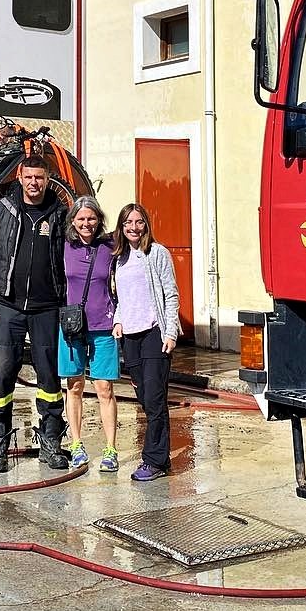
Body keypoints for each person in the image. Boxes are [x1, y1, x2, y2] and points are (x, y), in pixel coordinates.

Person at [0, 156, 69, 473]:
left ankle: (50, 444)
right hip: (9, 306)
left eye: (40, 178)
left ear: (48, 179)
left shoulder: (60, 213)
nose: (34, 183)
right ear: (20, 176)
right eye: (29, 176)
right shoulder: (4, 208)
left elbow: (70, 253)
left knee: (49, 377)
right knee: (1, 376)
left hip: (47, 308)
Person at [110, 203, 180, 482]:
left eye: (139, 222)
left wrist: (171, 332)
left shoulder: (157, 253)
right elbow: (122, 297)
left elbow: (171, 294)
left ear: (146, 224)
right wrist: (118, 320)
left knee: (154, 398)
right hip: (131, 336)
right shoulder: (120, 257)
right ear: (121, 226)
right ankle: (159, 455)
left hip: (154, 333)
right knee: (144, 398)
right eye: (128, 222)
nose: (134, 227)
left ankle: (155, 460)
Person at [58, 196, 119, 472]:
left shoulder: (109, 246)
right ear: (73, 221)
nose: (87, 223)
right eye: (81, 218)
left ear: (99, 219)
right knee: (75, 386)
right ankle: (77, 444)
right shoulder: (64, 246)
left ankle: (110, 448)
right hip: (72, 327)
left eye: (91, 218)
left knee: (104, 387)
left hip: (103, 324)